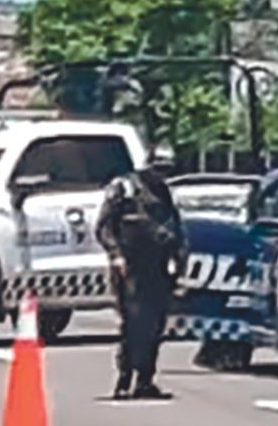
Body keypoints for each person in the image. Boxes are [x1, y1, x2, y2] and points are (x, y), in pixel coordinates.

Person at [95, 160, 187, 400]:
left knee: (156, 325)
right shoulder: (124, 187)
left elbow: (175, 227)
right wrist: (116, 255)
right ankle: (125, 379)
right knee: (133, 323)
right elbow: (103, 227)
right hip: (131, 265)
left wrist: (179, 258)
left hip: (158, 266)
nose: (160, 174)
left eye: (165, 169)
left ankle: (145, 380)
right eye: (157, 168)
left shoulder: (164, 192)